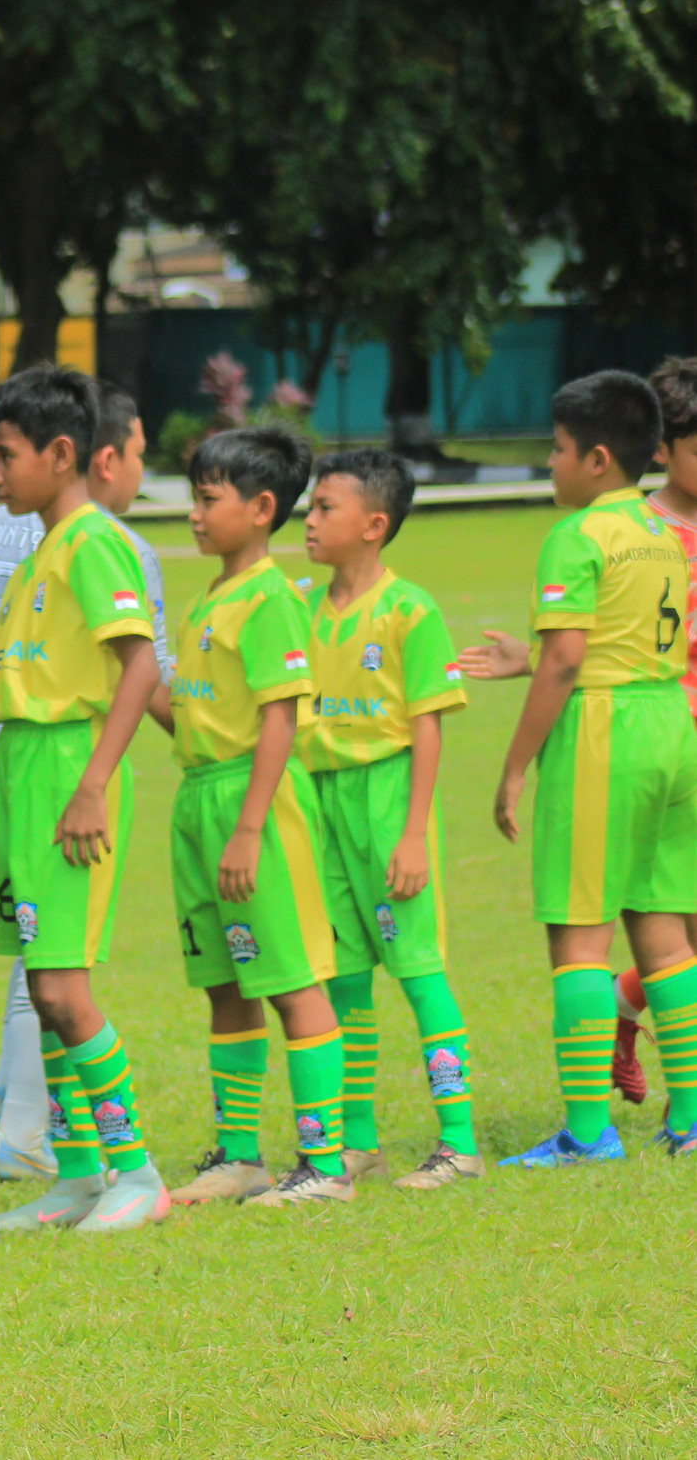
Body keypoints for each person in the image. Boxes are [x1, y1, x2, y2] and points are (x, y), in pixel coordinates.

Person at [457, 370, 697, 1165]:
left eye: (556, 449)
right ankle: (689, 1119)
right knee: (662, 927)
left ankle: (588, 1133)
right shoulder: (662, 532)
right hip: (672, 725)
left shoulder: (576, 534)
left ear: (596, 458)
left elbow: (564, 659)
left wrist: (513, 767)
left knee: (579, 935)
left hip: (606, 730)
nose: (549, 463)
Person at [0, 382, 174, 1181]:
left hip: (64, 770)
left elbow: (140, 663)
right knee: (41, 984)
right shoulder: (40, 550)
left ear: (60, 454)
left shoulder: (93, 543)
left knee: (59, 987)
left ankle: (135, 1173)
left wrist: (91, 784)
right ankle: (79, 1174)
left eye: (4, 456)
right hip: (24, 769)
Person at [161, 427, 352, 1209]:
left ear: (261, 507)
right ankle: (239, 1155)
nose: (194, 513)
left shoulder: (270, 597)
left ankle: (324, 1163)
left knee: (289, 981)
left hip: (254, 801)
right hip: (199, 793)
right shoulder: (212, 595)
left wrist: (248, 827)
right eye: (193, 497)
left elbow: (279, 716)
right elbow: (193, 713)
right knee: (226, 982)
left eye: (208, 499)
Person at [298, 451, 481, 1191]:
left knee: (417, 971)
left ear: (373, 525)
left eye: (325, 508)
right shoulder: (304, 607)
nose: (309, 521)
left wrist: (412, 835)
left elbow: (427, 728)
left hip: (387, 798)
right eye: (310, 506)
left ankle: (459, 1142)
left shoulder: (410, 611)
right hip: (322, 802)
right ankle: (358, 1141)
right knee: (343, 975)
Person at [606, 357, 697, 1102]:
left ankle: (622, 1002)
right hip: (666, 746)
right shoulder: (637, 532)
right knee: (677, 926)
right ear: (663, 447)